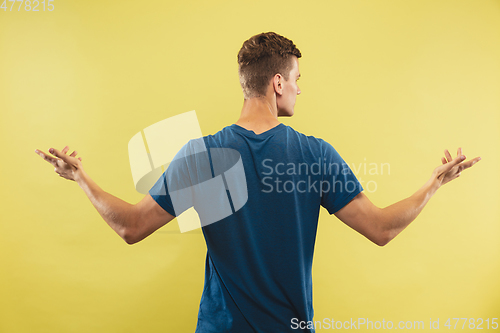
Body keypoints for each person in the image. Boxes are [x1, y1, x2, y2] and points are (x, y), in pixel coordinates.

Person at [35, 32, 481, 332]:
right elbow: (382, 229)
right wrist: (434, 184)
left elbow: (131, 226)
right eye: (298, 81)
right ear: (277, 82)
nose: (300, 91)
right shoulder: (314, 154)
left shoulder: (202, 155)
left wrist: (81, 178)